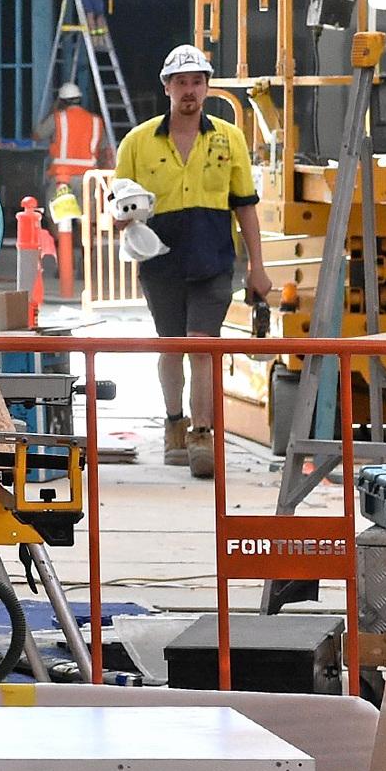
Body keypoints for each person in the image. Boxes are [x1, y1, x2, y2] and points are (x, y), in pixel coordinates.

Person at [113, 43, 272, 478]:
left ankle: (203, 434)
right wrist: (127, 228)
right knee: (172, 346)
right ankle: (173, 425)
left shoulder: (228, 137)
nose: (190, 90)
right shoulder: (138, 142)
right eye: (181, 82)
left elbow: (245, 205)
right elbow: (119, 208)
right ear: (167, 87)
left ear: (206, 87)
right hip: (161, 261)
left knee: (202, 343)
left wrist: (258, 266)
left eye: (197, 82)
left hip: (213, 256)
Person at [35, 81, 109, 193]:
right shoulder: (96, 121)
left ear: (61, 101)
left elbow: (37, 135)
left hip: (62, 178)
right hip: (88, 178)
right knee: (87, 210)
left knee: (59, 210)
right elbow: (104, 151)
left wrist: (52, 111)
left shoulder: (57, 118)